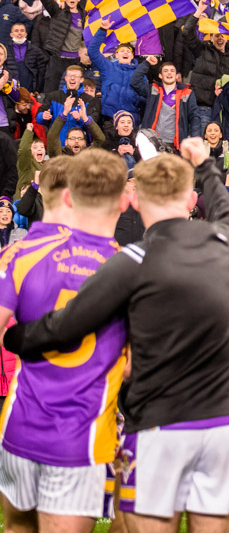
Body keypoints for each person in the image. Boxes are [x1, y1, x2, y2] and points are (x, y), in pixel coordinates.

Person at [4, 138, 229, 532]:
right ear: (190, 199)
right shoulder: (224, 243)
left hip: (159, 422)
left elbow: (66, 325)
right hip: (226, 421)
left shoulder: (132, 260)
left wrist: (15, 339)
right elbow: (223, 206)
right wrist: (205, 165)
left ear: (133, 201)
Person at [0, 150, 127, 531]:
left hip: (19, 423)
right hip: (80, 435)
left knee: (18, 527)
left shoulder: (18, 253)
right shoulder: (124, 266)